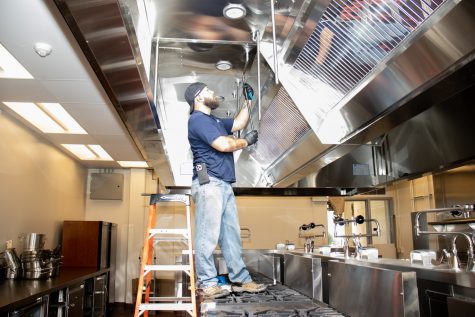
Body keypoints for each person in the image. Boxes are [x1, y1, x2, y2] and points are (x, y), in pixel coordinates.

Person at [185, 82, 267, 299]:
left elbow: (240, 121)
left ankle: (240, 280)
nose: (213, 92)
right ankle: (207, 282)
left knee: (231, 236)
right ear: (198, 98)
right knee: (207, 235)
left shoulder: (215, 121)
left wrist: (248, 100)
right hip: (209, 183)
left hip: (224, 184)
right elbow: (223, 145)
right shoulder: (198, 120)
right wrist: (245, 141)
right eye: (208, 90)